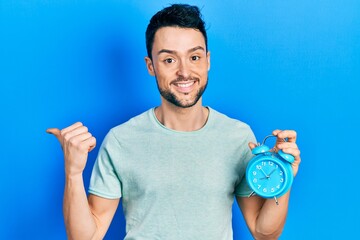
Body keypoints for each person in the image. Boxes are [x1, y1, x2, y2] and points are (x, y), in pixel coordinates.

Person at [47, 4, 301, 240]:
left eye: (194, 57)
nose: (184, 72)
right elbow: (86, 236)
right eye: (169, 59)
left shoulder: (237, 136)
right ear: (151, 66)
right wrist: (73, 172)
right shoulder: (121, 140)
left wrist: (284, 179)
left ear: (208, 61)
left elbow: (263, 232)